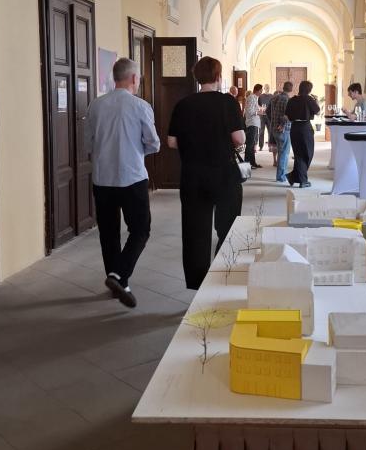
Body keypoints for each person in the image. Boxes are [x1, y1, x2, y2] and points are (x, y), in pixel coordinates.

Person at [84, 57, 160, 307]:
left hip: (102, 178)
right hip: (132, 177)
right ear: (134, 78)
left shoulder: (95, 105)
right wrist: (134, 151)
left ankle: (117, 282)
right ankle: (119, 275)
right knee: (140, 229)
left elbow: (87, 144)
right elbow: (153, 143)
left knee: (108, 233)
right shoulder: (141, 106)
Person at [167, 57, 245, 290]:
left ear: (197, 77)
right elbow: (239, 138)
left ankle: (198, 284)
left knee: (195, 231)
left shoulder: (183, 104)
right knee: (228, 226)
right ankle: (222, 276)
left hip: (193, 175)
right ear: (218, 77)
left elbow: (172, 142)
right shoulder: (227, 102)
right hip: (223, 174)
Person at [285, 80, 320, 188]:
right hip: (305, 128)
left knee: (298, 154)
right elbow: (318, 111)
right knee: (307, 153)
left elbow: (287, 117)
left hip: (294, 128)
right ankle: (302, 181)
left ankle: (293, 177)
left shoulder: (291, 100)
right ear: (309, 90)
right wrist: (316, 101)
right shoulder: (308, 99)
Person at [267, 81, 294, 182]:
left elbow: (267, 111)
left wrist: (273, 122)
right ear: (291, 89)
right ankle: (281, 177)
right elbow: (287, 115)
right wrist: (282, 125)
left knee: (281, 152)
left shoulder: (274, 98)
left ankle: (280, 175)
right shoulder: (287, 100)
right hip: (283, 130)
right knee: (284, 154)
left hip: (274, 129)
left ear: (283, 87)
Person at [243, 83, 263, 168]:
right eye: (261, 90)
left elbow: (255, 109)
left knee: (252, 144)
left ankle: (252, 162)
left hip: (254, 123)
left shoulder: (255, 98)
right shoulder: (251, 97)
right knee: (250, 145)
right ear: (257, 90)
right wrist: (258, 112)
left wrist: (260, 110)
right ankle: (247, 164)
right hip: (251, 123)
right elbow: (249, 111)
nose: (261, 92)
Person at [257, 84, 272, 149]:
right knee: (261, 131)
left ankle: (270, 145)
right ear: (264, 88)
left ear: (269, 88)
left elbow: (273, 105)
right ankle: (261, 146)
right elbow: (258, 105)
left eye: (268, 87)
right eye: (266, 87)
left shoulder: (272, 96)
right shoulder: (261, 96)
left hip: (269, 116)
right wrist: (261, 108)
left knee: (270, 131)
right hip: (262, 116)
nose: (267, 88)